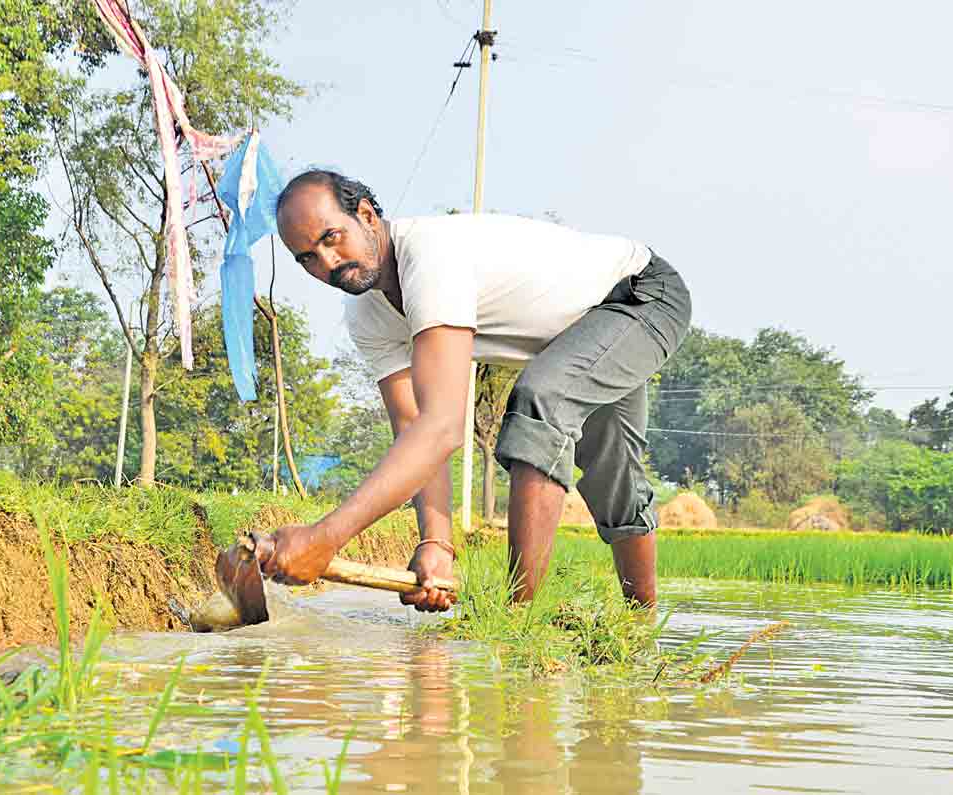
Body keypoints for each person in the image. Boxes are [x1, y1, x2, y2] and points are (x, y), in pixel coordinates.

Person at [254, 169, 691, 611]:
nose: (327, 264)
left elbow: (443, 428)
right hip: (578, 335)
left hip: (640, 296)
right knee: (611, 472)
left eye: (332, 238)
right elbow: (414, 430)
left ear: (366, 215)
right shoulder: (366, 313)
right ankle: (637, 632)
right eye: (307, 257)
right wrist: (436, 544)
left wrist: (325, 538)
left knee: (547, 407)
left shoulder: (429, 257)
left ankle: (519, 619)